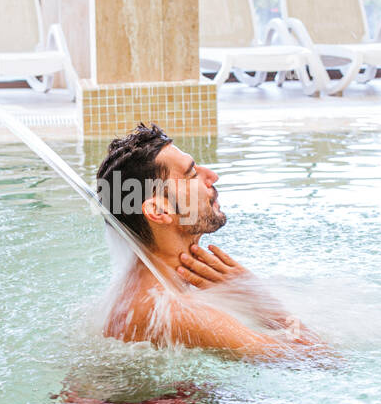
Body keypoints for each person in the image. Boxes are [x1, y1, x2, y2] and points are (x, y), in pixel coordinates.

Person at [94, 123, 327, 360]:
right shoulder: (178, 314)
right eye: (192, 174)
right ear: (159, 210)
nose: (212, 177)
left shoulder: (142, 288)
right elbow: (320, 359)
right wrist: (262, 302)